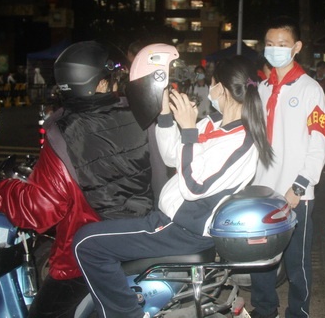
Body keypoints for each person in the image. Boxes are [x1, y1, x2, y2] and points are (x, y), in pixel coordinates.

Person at [73, 52, 274, 318]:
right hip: (169, 220)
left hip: (182, 230)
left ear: (223, 89)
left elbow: (194, 187)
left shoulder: (241, 141)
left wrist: (189, 130)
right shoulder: (213, 123)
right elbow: (172, 156)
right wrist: (166, 115)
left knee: (85, 243)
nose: (210, 89)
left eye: (212, 83)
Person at [0, 40, 157, 318]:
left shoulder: (63, 133)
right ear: (99, 83)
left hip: (85, 254)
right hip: (145, 236)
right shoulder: (136, 112)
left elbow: (41, 209)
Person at [249, 16, 325, 318]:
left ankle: (298, 312)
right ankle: (264, 310)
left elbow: (319, 141)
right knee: (261, 258)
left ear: (296, 47)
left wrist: (300, 185)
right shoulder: (261, 89)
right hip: (261, 190)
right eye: (270, 44)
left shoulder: (310, 89)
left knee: (297, 263)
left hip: (295, 193)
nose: (275, 49)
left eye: (282, 44)